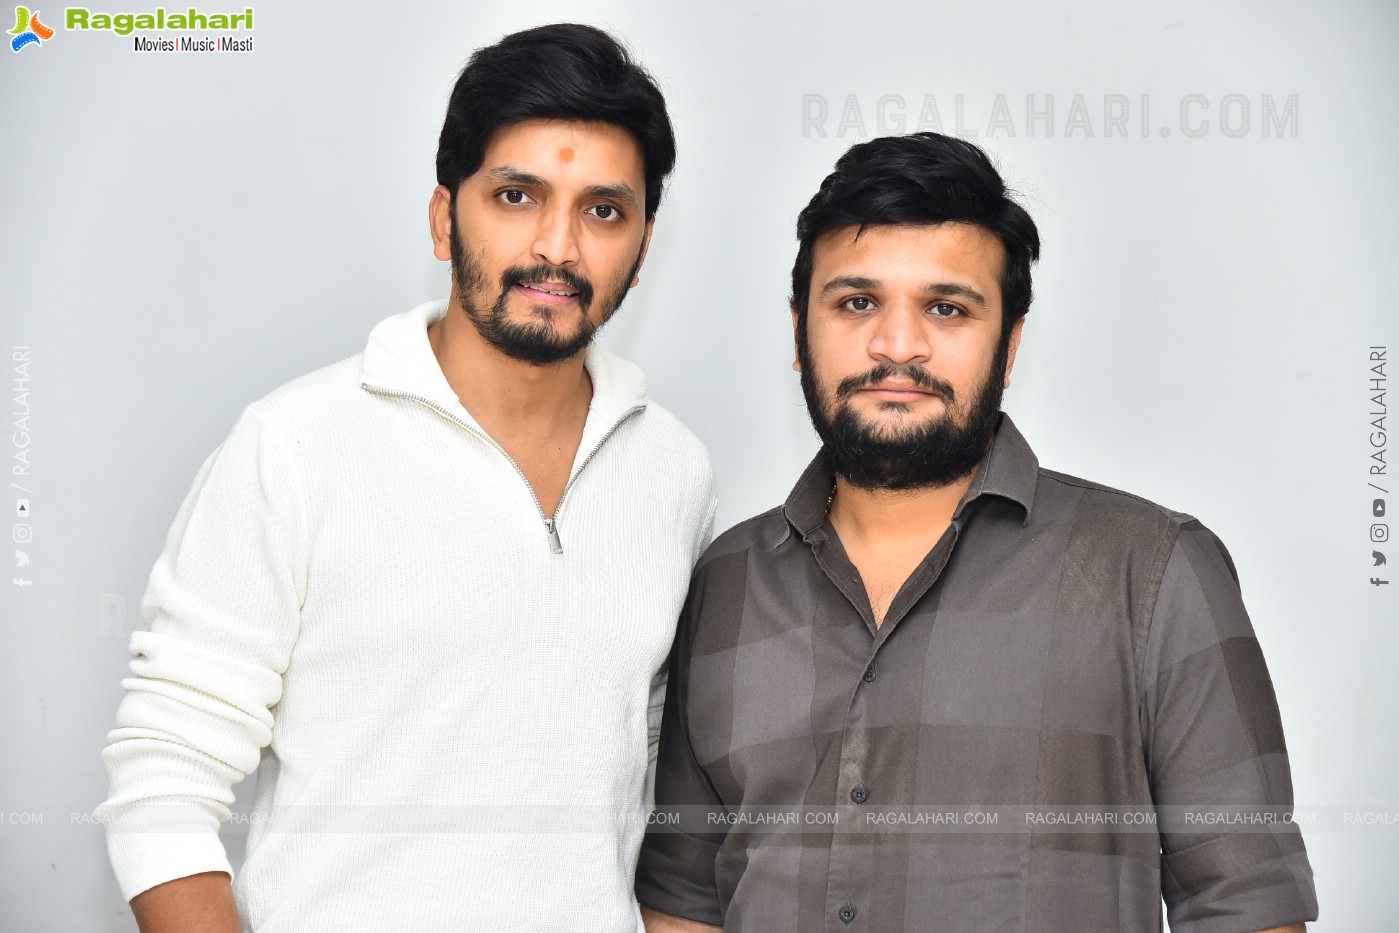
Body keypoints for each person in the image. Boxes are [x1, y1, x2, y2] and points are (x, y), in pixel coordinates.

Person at [97, 23, 716, 933]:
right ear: (442, 216)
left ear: (643, 243)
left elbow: (655, 779)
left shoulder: (674, 470)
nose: (557, 246)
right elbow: (162, 773)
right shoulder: (295, 445)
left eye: (602, 210)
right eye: (516, 196)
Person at [635, 132, 1316, 932]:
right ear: (798, 332)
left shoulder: (1155, 572)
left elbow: (1243, 902)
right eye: (856, 303)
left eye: (946, 308)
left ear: (1010, 342)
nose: (897, 345)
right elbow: (684, 897)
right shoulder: (723, 581)